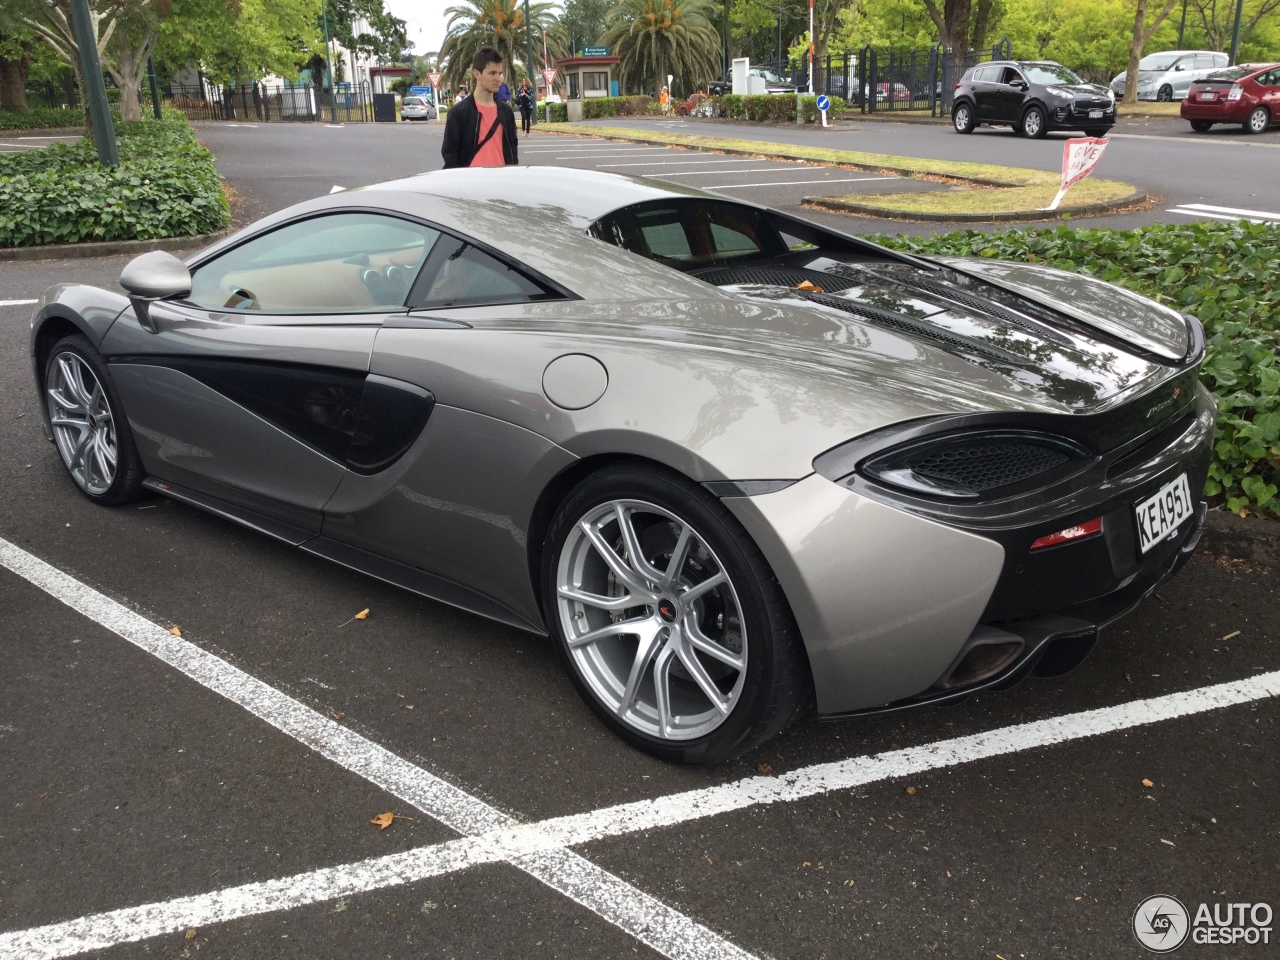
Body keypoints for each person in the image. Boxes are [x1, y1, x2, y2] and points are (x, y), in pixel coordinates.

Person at [441, 48, 519, 168]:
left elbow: (513, 151)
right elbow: (450, 155)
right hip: (472, 183)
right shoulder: (459, 113)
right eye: (492, 73)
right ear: (477, 74)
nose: (498, 78)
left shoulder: (506, 112)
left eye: (500, 73)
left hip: (502, 181)